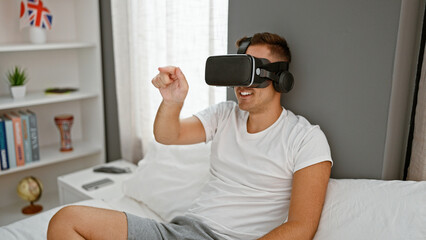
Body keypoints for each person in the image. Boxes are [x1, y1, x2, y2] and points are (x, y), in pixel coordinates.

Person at [47, 32, 332, 240]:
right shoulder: (224, 115)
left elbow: (300, 227)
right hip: (180, 230)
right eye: (240, 71)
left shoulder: (305, 138)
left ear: (281, 79)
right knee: (66, 219)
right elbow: (168, 135)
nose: (243, 85)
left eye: (254, 73)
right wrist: (172, 101)